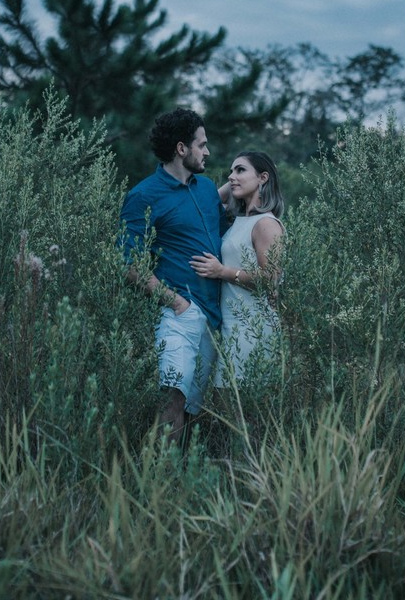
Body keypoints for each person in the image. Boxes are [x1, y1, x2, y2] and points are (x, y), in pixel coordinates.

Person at [120, 108, 227, 446]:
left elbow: (224, 235)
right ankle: (161, 476)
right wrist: (176, 303)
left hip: (214, 315)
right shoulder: (143, 195)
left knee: (195, 406)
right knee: (173, 398)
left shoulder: (207, 188)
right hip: (178, 314)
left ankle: (186, 471)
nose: (207, 151)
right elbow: (128, 264)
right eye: (202, 144)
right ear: (182, 149)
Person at [190, 151, 285, 391]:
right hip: (230, 325)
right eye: (231, 171)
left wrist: (222, 271)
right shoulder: (239, 219)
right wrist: (236, 181)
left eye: (240, 170)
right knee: (226, 403)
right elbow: (206, 201)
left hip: (253, 327)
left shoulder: (266, 224)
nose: (231, 176)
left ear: (263, 177)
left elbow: (270, 278)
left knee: (237, 405)